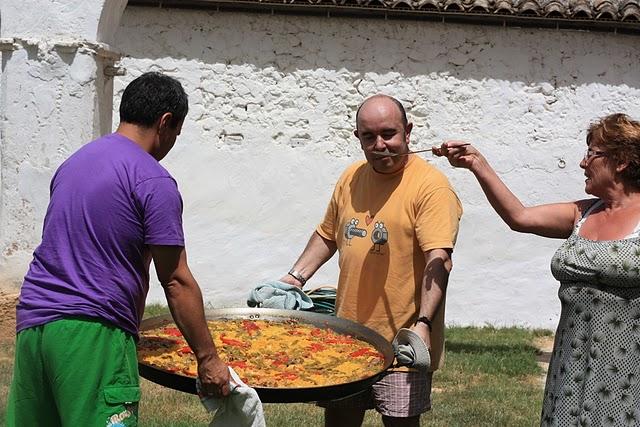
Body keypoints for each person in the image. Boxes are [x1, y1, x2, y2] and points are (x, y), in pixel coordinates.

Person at [6, 72, 230, 427]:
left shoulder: (74, 163)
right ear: (165, 122)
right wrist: (208, 358)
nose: (171, 144)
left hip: (35, 326)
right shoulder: (152, 179)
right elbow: (175, 280)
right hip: (91, 332)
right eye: (175, 134)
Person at [434, 113, 640, 426]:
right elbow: (520, 216)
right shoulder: (582, 213)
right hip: (569, 371)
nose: (583, 164)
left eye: (592, 154)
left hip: (627, 374)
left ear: (622, 161)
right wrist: (476, 162)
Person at [280, 94, 463, 427]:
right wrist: (294, 278)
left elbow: (440, 260)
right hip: (346, 337)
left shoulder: (431, 187)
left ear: (408, 131)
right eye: (369, 137)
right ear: (358, 138)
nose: (380, 144)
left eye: (389, 134)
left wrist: (423, 324)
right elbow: (327, 235)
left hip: (402, 344)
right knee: (339, 421)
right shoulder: (351, 177)